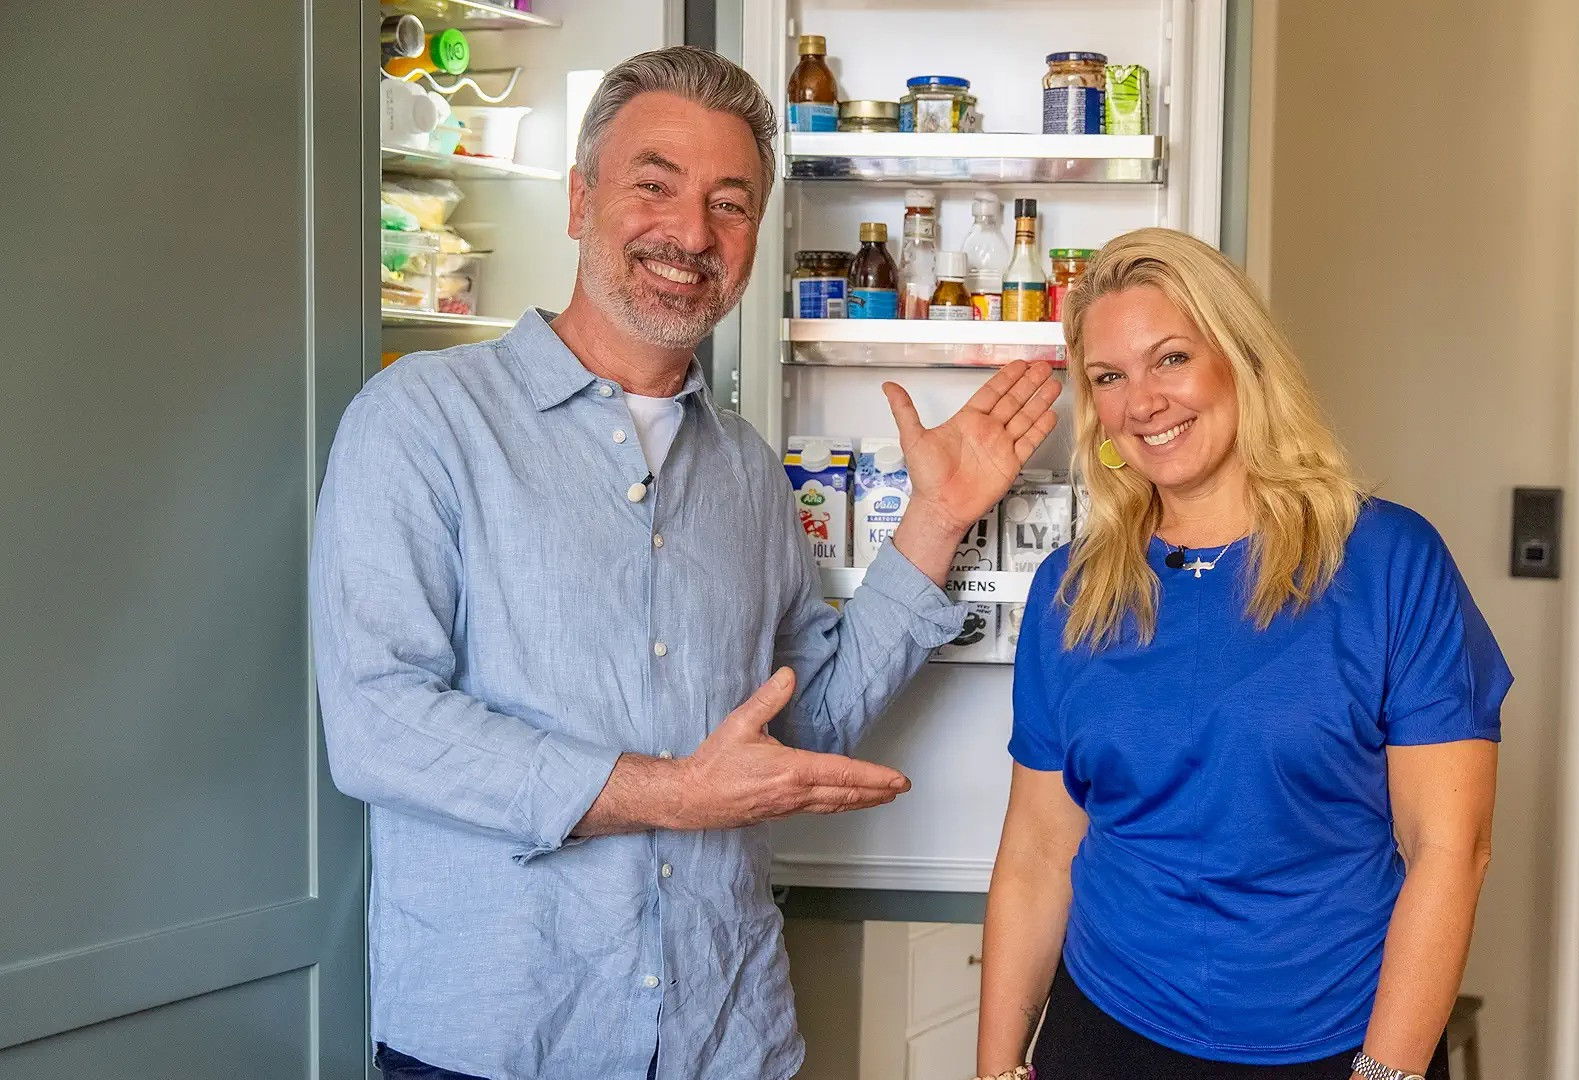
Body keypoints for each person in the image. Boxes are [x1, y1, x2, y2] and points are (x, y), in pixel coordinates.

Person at [312, 47, 1059, 1080]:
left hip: (725, 1037)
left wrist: (935, 521)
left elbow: (804, 724)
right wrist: (671, 794)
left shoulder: (748, 470)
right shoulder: (424, 420)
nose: (693, 234)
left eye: (730, 203)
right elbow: (378, 726)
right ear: (580, 200)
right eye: (655, 185)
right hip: (504, 1042)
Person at [975, 228, 1511, 1080]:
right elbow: (1039, 853)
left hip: (1340, 1044)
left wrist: (1385, 1073)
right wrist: (996, 1068)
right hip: (1105, 1030)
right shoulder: (1071, 590)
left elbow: (1450, 849)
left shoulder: (1387, 563)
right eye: (1108, 377)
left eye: (1171, 358)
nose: (1142, 402)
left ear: (1243, 360)